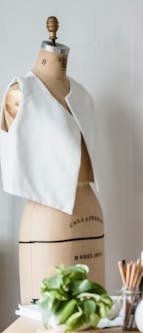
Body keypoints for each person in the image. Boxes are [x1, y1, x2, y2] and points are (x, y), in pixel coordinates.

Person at [0, 18, 104, 303]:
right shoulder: (20, 92)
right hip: (48, 216)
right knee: (49, 317)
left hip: (91, 211)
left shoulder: (83, 95)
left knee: (96, 315)